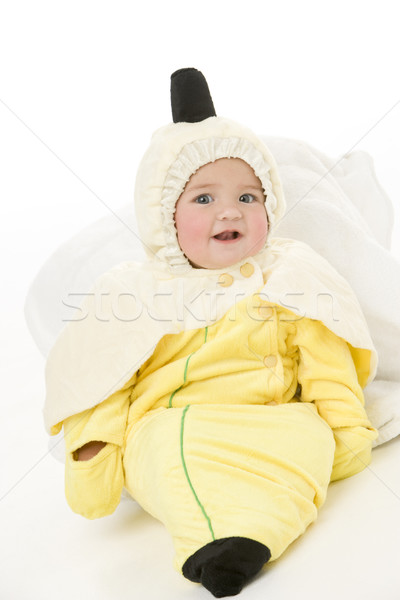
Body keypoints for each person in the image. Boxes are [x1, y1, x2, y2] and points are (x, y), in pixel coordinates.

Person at [45, 68, 377, 598]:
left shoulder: (290, 274)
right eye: (203, 199)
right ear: (163, 217)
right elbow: (102, 374)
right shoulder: (135, 289)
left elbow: (325, 356)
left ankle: (255, 533)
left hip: (274, 419)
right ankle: (217, 537)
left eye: (249, 197)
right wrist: (93, 451)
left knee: (309, 438)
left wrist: (344, 424)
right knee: (161, 450)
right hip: (177, 423)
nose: (230, 210)